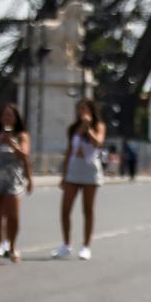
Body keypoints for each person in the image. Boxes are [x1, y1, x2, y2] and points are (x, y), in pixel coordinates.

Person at [0, 103, 34, 264]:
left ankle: (12, 247)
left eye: (10, 115)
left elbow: (25, 155)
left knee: (13, 217)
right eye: (4, 115)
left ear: (16, 118)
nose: (7, 118)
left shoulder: (21, 136)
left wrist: (12, 143)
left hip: (13, 181)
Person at [55, 98, 107, 260]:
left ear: (91, 111)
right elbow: (69, 151)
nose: (82, 112)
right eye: (79, 109)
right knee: (65, 209)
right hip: (73, 170)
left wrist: (88, 129)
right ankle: (66, 244)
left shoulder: (99, 126)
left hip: (90, 171)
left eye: (85, 109)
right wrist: (63, 175)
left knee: (87, 210)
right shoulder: (73, 129)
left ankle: (86, 246)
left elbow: (98, 143)